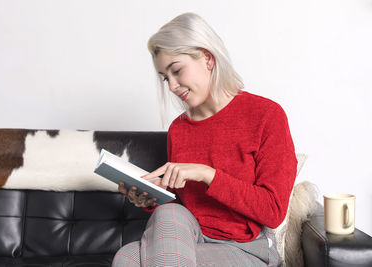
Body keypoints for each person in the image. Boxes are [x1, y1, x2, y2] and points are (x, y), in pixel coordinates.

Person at [112, 12, 297, 267]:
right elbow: (181, 207)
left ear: (208, 58)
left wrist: (207, 174)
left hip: (246, 248)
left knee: (129, 260)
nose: (173, 86)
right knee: (167, 213)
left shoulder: (266, 115)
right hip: (189, 237)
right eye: (165, 78)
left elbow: (273, 211)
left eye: (177, 71)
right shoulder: (179, 129)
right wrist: (149, 200)